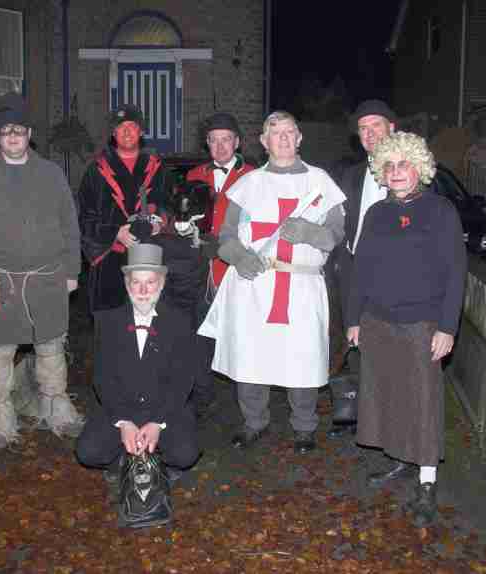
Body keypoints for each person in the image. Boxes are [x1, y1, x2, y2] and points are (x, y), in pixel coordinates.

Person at [199, 111, 346, 454]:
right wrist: (238, 256)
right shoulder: (248, 184)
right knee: (252, 353)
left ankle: (304, 426)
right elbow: (226, 235)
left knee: (303, 354)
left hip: (301, 284)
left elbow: (336, 235)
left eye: (289, 132)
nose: (282, 138)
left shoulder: (320, 181)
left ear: (299, 139)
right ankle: (254, 421)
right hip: (255, 283)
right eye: (274, 132)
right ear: (263, 142)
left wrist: (311, 232)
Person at [345, 131, 466, 526]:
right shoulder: (376, 213)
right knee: (386, 395)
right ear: (382, 171)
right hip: (377, 321)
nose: (397, 172)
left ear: (420, 168)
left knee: (423, 401)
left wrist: (447, 327)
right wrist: (352, 318)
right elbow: (360, 269)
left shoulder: (441, 210)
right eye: (390, 165)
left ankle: (427, 482)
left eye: (405, 164)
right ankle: (399, 459)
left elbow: (455, 273)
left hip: (421, 323)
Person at [0, 92, 83, 449]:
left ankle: (56, 408)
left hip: (46, 278)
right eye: (6, 131)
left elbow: (69, 225)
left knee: (50, 347)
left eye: (20, 131)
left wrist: (72, 270)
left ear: (29, 134)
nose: (13, 137)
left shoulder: (51, 174)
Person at [75, 243, 199, 481]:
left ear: (162, 283)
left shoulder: (180, 321)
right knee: (87, 452)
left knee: (185, 454)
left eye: (150, 282)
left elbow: (183, 380)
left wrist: (157, 423)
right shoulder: (107, 321)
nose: (143, 290)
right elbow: (102, 378)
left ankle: (159, 462)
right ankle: (122, 457)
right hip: (123, 406)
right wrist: (124, 422)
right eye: (136, 282)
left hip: (163, 407)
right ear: (127, 284)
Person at [326, 99, 397, 440]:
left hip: (394, 275)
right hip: (354, 270)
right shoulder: (351, 175)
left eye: (376, 126)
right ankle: (357, 412)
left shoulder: (412, 173)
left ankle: (389, 422)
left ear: (392, 129)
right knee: (355, 340)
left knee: (390, 348)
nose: (369, 134)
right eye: (363, 129)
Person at [184, 112, 256, 416]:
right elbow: (183, 215)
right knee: (199, 331)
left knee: (241, 332)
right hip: (201, 265)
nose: (221, 146)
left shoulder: (254, 175)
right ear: (207, 144)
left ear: (237, 142)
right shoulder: (194, 175)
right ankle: (201, 393)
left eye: (226, 139)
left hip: (236, 265)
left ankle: (246, 399)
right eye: (214, 140)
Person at [78, 104, 170, 314]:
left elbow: (168, 206)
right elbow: (84, 218)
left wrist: (160, 222)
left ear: (141, 131)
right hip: (110, 263)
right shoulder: (97, 171)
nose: (127, 131)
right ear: (113, 133)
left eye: (132, 126)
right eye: (121, 127)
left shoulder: (157, 167)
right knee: (111, 331)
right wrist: (115, 233)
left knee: (150, 330)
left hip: (150, 260)